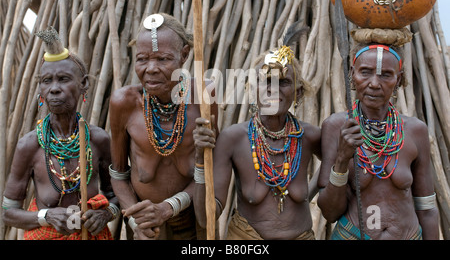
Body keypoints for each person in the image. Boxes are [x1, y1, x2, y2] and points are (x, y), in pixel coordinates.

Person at [193, 26, 322, 240]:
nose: (274, 89)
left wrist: (310, 192)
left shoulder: (309, 136)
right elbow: (206, 217)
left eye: (284, 82)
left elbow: (336, 165)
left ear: (297, 93)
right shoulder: (233, 139)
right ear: (254, 89)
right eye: (266, 81)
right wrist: (199, 160)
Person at [2, 27, 118, 240]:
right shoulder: (29, 145)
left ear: (83, 84)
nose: (54, 88)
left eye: (63, 79)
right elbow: (8, 213)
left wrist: (105, 213)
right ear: (40, 89)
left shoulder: (98, 140)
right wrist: (46, 216)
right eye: (47, 81)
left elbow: (116, 196)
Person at [109, 13, 218, 240]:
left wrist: (169, 208)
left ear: (184, 55)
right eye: (142, 59)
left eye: (163, 59)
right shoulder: (124, 103)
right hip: (146, 226)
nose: (151, 68)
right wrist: (135, 221)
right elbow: (118, 174)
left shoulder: (204, 96)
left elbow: (211, 169)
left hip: (194, 220)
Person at [317, 42, 439, 240]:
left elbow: (427, 208)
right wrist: (342, 159)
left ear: (398, 80)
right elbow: (329, 213)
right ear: (352, 73)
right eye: (365, 72)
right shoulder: (337, 126)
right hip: (352, 235)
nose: (374, 83)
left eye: (385, 75)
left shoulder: (415, 130)